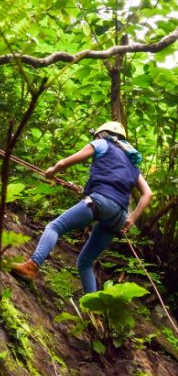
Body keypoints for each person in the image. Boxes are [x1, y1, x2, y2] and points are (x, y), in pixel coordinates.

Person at [10, 121, 152, 294]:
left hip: (100, 201)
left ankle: (32, 266)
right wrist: (132, 218)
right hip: (119, 216)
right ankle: (93, 313)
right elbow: (148, 193)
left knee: (54, 227)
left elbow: (63, 164)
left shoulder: (101, 143)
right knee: (85, 263)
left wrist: (52, 171)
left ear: (102, 134)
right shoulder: (132, 165)